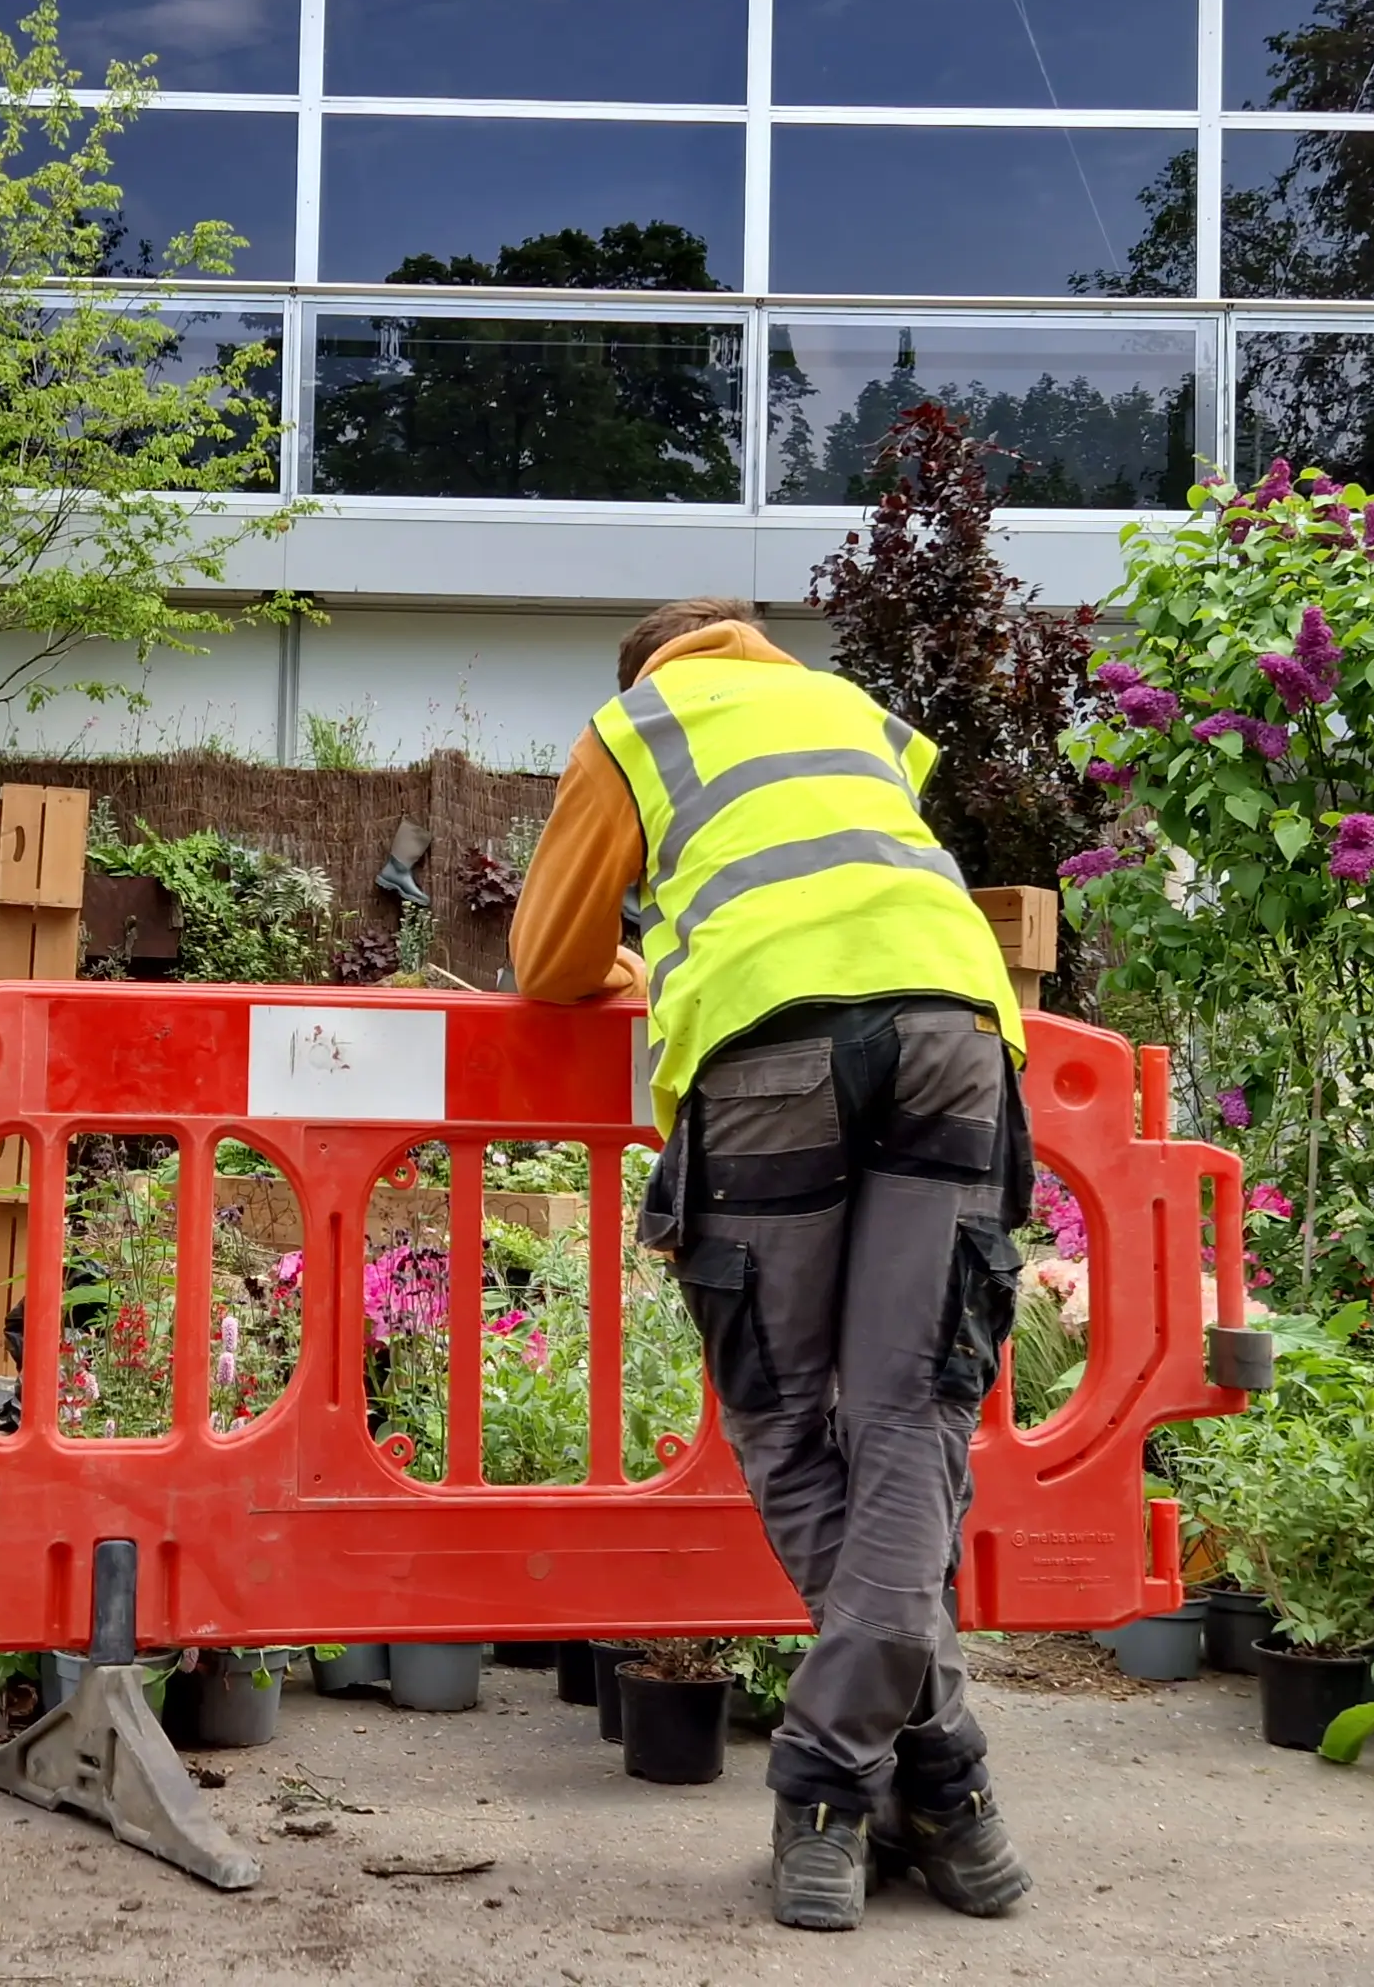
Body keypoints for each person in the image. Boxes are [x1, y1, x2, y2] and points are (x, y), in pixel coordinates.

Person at [510, 597, 1035, 1932]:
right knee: (913, 1417)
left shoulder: (635, 727)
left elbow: (547, 962)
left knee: (792, 1418)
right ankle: (946, 1788)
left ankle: (825, 1791)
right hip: (955, 1029)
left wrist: (632, 956)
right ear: (760, 649)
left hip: (767, 1050)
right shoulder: (861, 716)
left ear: (646, 667)